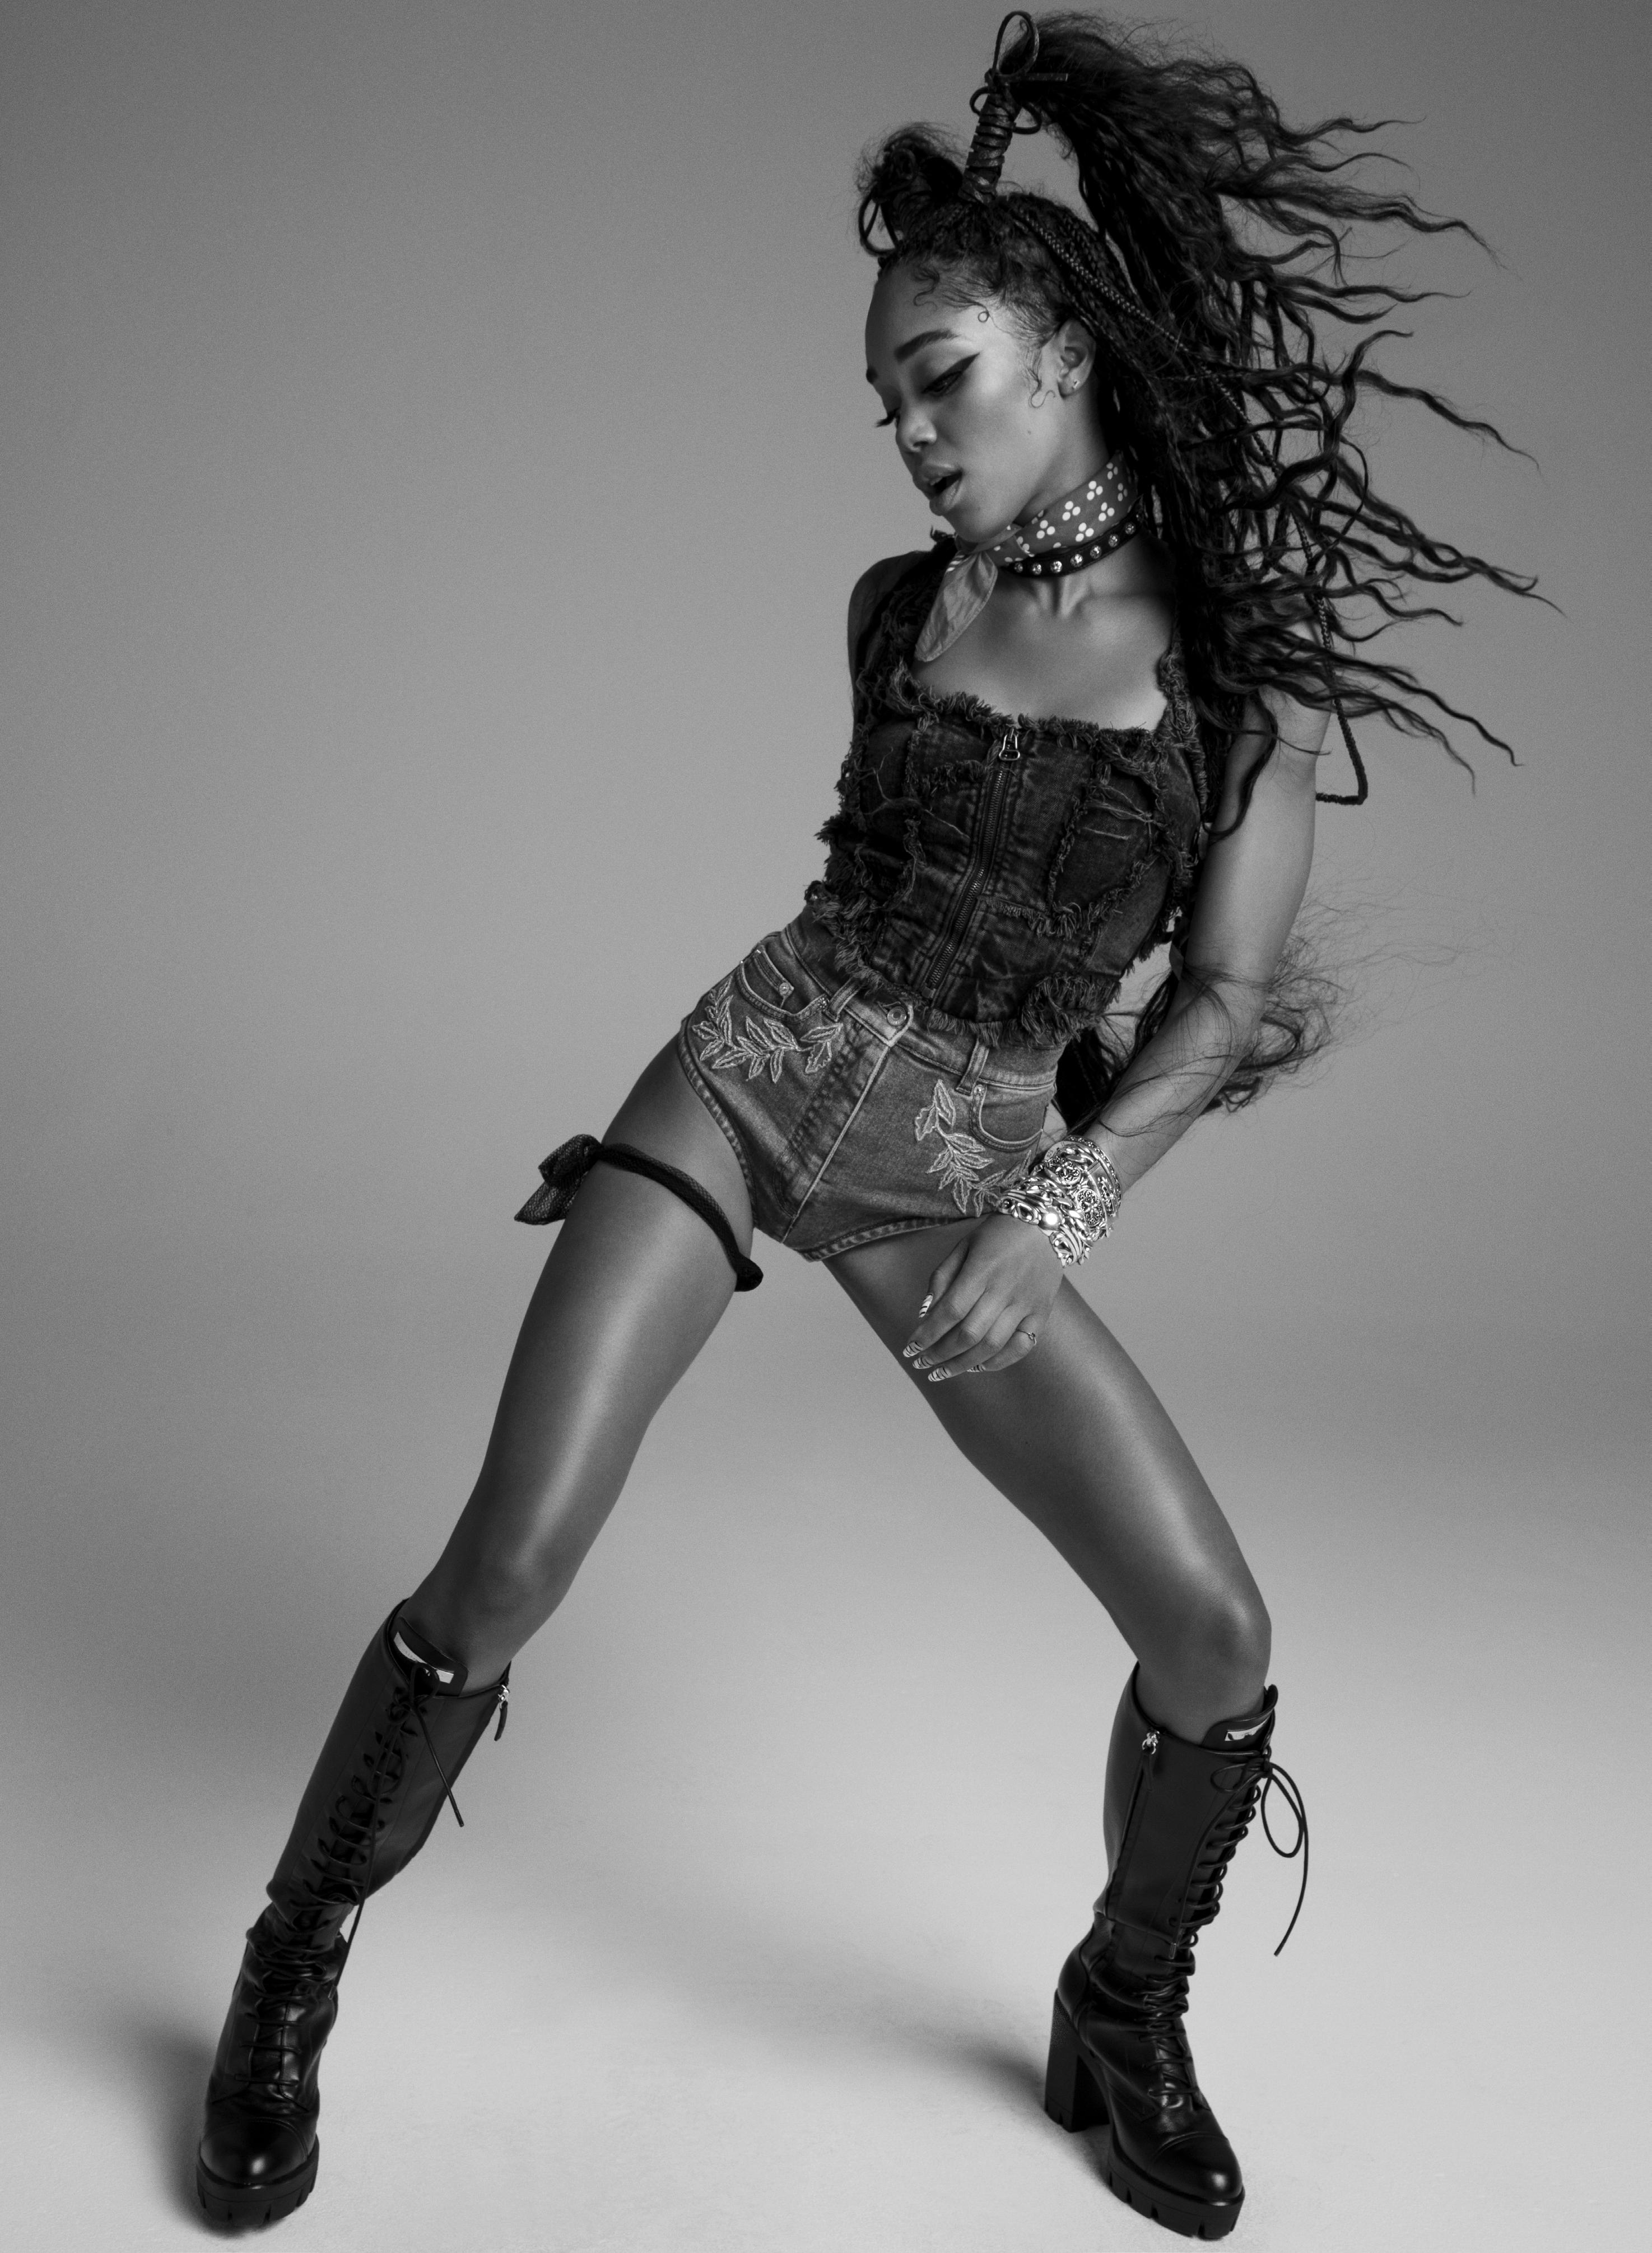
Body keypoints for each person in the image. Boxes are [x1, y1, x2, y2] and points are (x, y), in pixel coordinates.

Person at [195, 11, 1530, 2240]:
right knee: (506, 1564)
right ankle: (287, 1963)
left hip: (966, 1186)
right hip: (744, 1085)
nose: (911, 434)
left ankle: (1124, 2005)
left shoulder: (1233, 697)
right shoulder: (899, 613)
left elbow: (1216, 1000)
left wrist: (1059, 1201)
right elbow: (859, 920)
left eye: (945, 379)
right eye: (888, 400)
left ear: (1068, 355)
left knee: (1215, 1633)